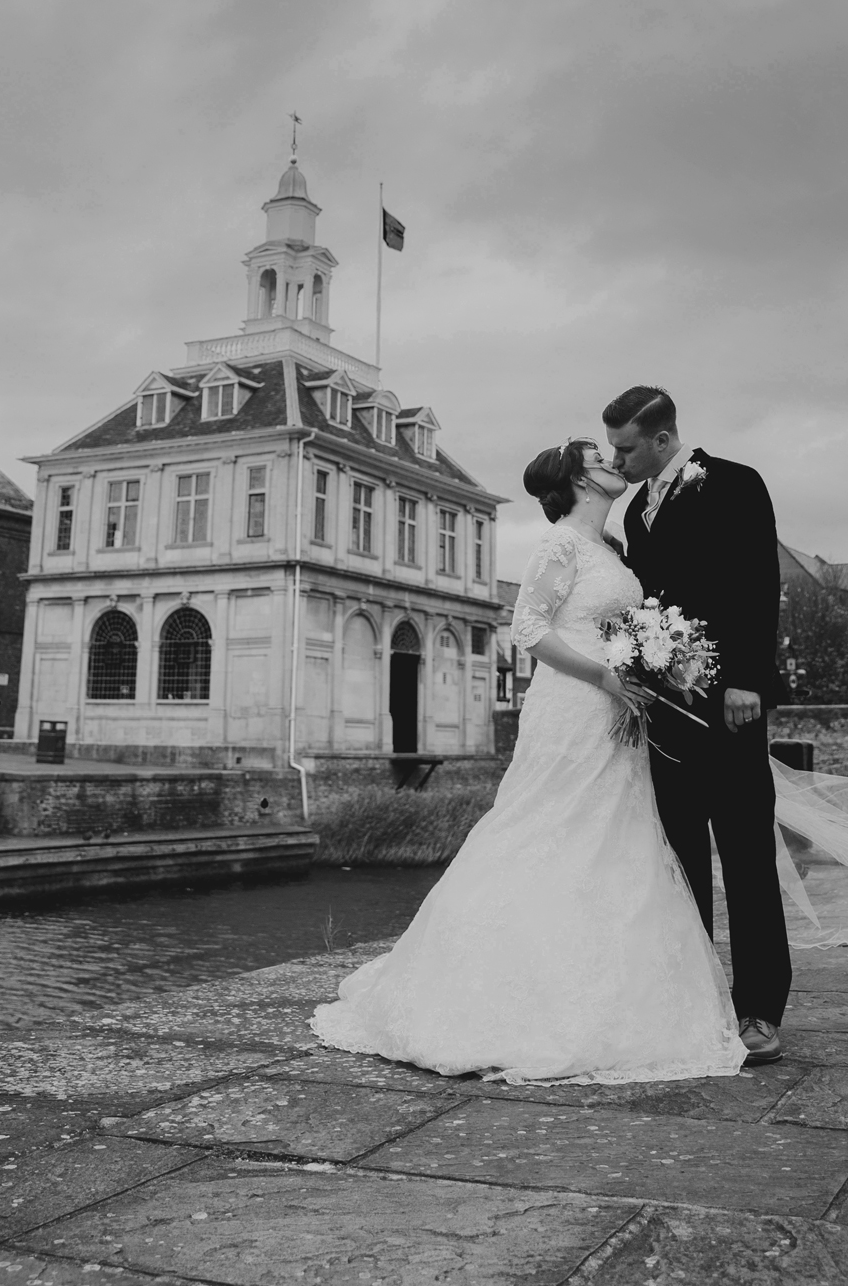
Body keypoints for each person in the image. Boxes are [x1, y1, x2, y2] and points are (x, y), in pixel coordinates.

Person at [311, 440, 747, 1085]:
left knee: (613, 835)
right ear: (576, 479)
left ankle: (614, 992)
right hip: (575, 704)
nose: (612, 464)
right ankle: (503, 994)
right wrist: (606, 676)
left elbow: (617, 627)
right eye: (599, 457)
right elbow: (529, 631)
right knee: (548, 826)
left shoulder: (613, 550)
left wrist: (657, 660)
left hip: (616, 706)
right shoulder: (560, 545)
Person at [604, 385, 791, 1064]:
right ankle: (696, 998)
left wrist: (746, 676)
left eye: (624, 447)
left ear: (660, 437)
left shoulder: (735, 483)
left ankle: (760, 1010)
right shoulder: (630, 514)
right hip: (665, 716)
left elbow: (755, 579)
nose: (614, 459)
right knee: (678, 858)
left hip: (728, 704)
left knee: (744, 854)